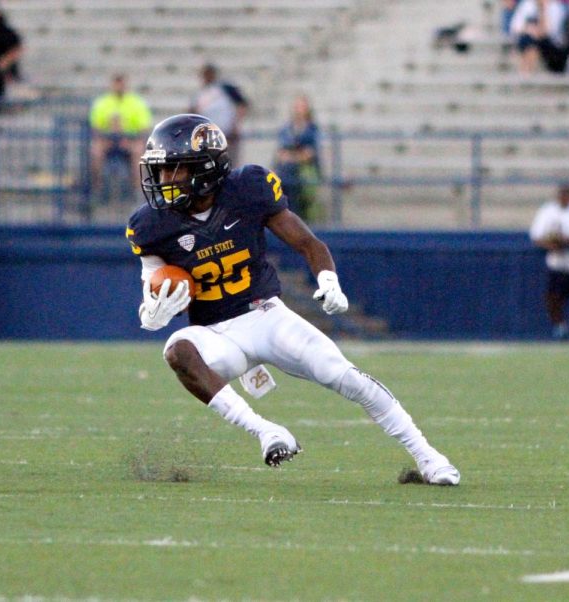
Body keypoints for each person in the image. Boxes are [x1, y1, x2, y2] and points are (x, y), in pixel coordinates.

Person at [125, 114, 460, 485]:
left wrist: (328, 280)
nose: (163, 181)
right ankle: (267, 431)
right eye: (160, 171)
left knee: (342, 376)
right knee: (177, 350)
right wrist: (152, 313)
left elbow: (307, 243)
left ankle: (428, 456)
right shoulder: (150, 226)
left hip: (263, 315)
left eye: (174, 170)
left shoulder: (247, 189)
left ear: (205, 168)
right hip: (216, 335)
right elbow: (151, 287)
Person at [88, 73, 153, 200]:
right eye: (116, 84)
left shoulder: (136, 102)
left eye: (121, 84)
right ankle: (97, 189)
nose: (119, 87)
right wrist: (104, 138)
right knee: (95, 150)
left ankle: (138, 191)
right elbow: (95, 127)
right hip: (107, 140)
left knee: (139, 152)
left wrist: (130, 140)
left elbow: (144, 128)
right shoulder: (103, 102)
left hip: (129, 140)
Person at [529, 182, 569, 339]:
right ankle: (560, 327)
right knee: (554, 297)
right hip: (557, 263)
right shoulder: (548, 211)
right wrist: (552, 243)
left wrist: (568, 241)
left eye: (567, 194)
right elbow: (537, 236)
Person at [274, 95, 321, 221]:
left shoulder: (312, 129)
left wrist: (292, 157)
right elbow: (280, 153)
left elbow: (309, 154)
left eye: (302, 106)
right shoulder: (287, 129)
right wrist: (296, 156)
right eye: (297, 106)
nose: (299, 110)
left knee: (292, 177)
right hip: (286, 171)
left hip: (304, 173)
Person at [189, 63, 248, 164]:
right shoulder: (200, 95)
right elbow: (193, 112)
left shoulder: (225, 88)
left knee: (231, 163)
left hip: (228, 134)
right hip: (210, 139)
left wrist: (236, 125)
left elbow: (242, 104)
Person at [509, 0, 569, 74]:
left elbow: (553, 32)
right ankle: (526, 73)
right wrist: (529, 29)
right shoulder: (527, 4)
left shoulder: (556, 7)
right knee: (530, 44)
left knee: (535, 45)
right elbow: (515, 27)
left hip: (551, 44)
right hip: (529, 40)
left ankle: (525, 74)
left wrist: (543, 10)